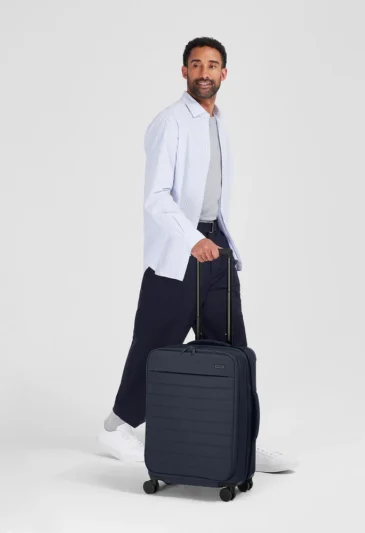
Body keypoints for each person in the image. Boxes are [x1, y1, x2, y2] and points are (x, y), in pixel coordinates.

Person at [98, 37, 298, 473]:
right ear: (184, 71)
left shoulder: (219, 123)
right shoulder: (169, 122)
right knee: (155, 342)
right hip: (178, 253)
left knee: (231, 349)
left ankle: (243, 443)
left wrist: (219, 243)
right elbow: (156, 196)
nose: (204, 72)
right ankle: (116, 426)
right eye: (196, 64)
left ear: (224, 73)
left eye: (212, 65)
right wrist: (191, 239)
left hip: (217, 248)